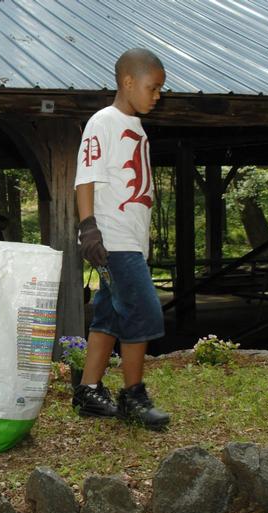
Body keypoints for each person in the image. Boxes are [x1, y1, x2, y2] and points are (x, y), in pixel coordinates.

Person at [72, 48, 170, 430]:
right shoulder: (105, 121)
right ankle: (133, 397)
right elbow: (86, 177)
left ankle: (88, 391)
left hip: (131, 240)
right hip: (113, 241)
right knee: (143, 311)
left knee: (109, 315)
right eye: (153, 87)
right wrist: (88, 227)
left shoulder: (136, 125)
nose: (157, 95)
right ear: (128, 82)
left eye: (161, 89)